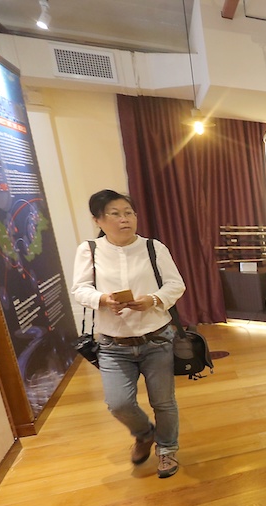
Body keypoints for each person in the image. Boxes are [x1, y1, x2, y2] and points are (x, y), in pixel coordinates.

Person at [71, 189, 187, 478]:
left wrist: (153, 299)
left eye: (129, 213)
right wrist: (103, 300)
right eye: (115, 214)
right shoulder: (89, 250)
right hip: (112, 344)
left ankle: (167, 450)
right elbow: (80, 290)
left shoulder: (154, 248)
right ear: (98, 220)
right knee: (119, 403)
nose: (125, 219)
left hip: (157, 338)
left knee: (164, 402)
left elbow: (175, 285)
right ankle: (144, 433)